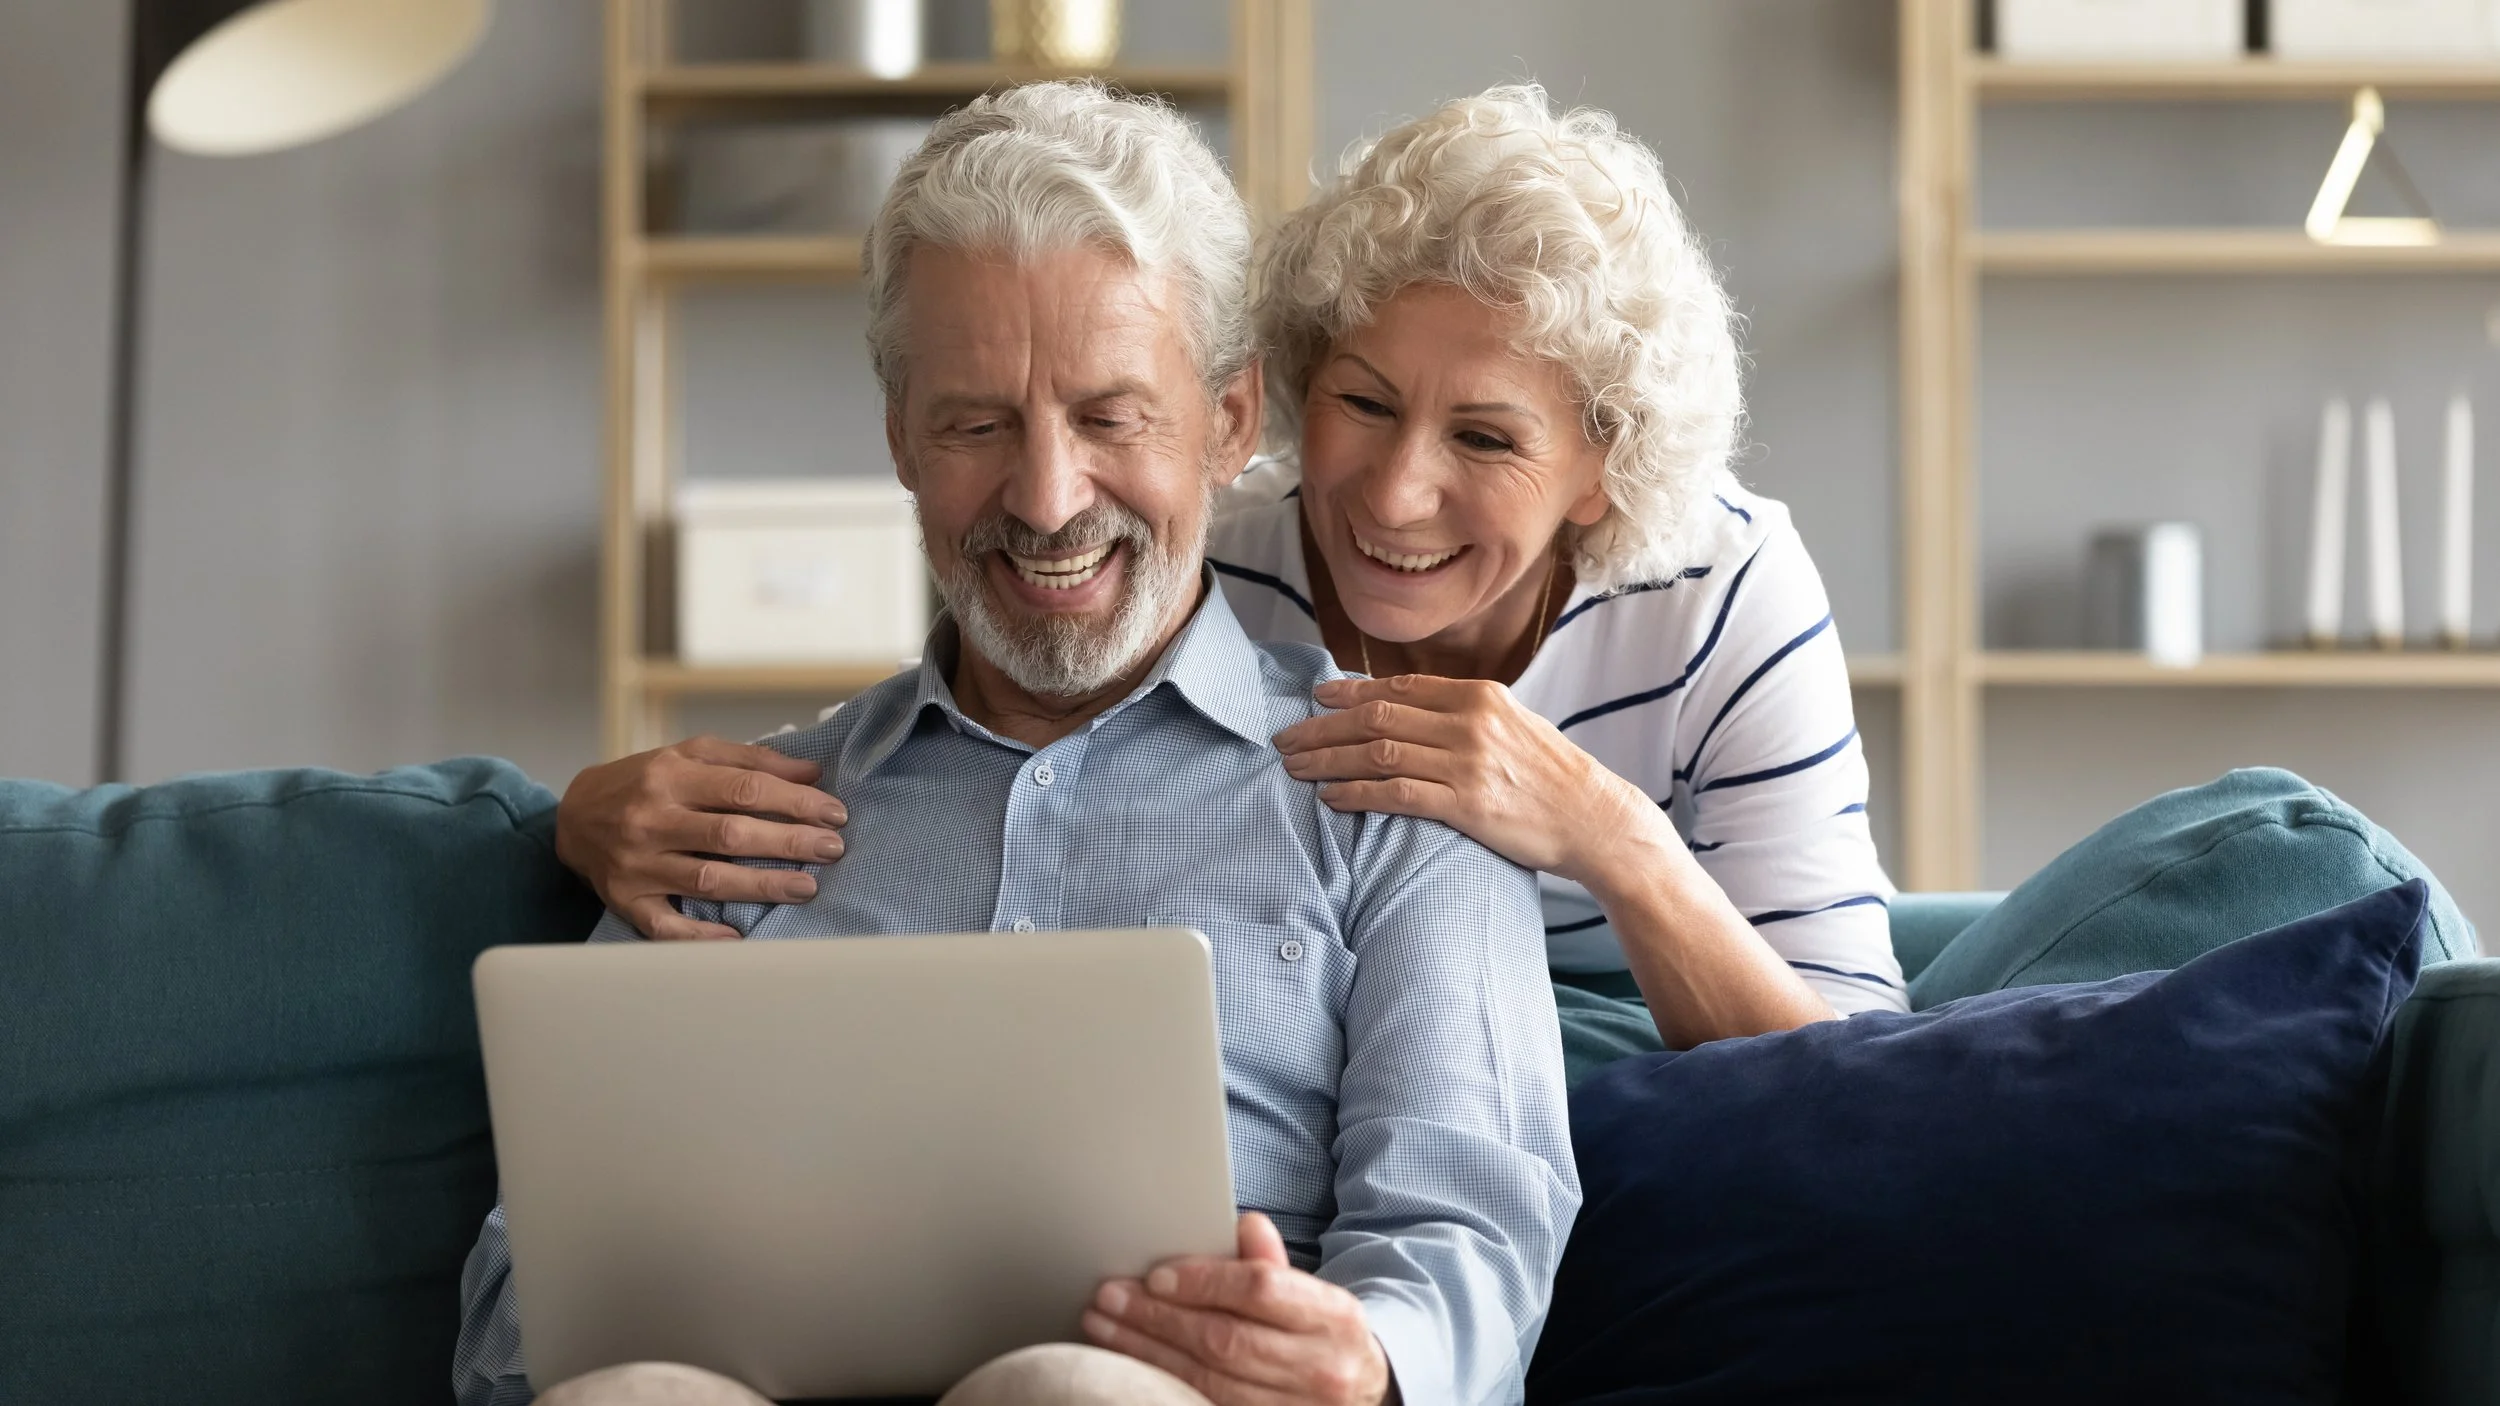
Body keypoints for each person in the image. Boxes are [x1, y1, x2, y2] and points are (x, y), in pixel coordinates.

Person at [455, 81, 1576, 1406]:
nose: (1046, 500)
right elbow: (525, 1295)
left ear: (1226, 422)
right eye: (977, 424)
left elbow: (1472, 1232)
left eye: (1110, 418)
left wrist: (1366, 1357)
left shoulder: (1397, 796)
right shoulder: (736, 819)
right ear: (900, 441)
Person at [556, 84, 1905, 1051]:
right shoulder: (1219, 545)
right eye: (1363, 403)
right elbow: (970, 756)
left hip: (1656, 1077)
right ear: (1274, 403)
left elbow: (1849, 1066)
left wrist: (1604, 834)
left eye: (1485, 435)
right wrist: (580, 820)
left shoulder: (1721, 590)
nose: (1392, 488)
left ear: (1605, 465)